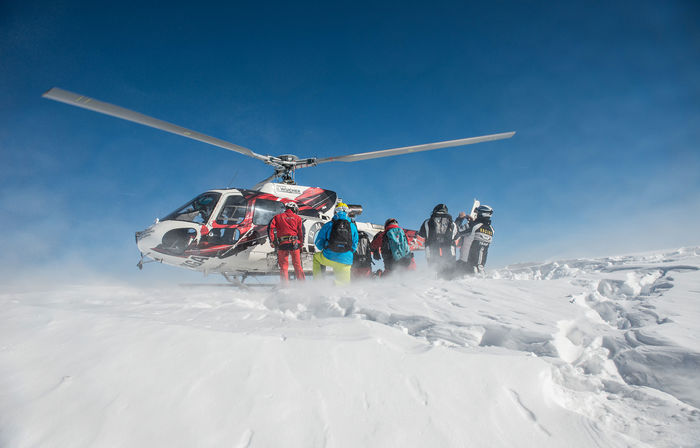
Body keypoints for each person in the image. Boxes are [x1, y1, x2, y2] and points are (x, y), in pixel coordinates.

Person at [313, 203, 358, 285]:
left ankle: (318, 283)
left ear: (335, 212)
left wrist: (324, 248)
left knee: (316, 258)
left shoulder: (328, 224)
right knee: (344, 284)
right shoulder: (353, 226)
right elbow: (355, 244)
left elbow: (319, 242)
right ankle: (336, 284)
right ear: (347, 212)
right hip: (345, 260)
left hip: (329, 257)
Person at [268, 201, 306, 284]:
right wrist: (301, 243)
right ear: (294, 209)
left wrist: (272, 241)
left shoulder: (277, 217)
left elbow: (271, 228)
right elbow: (301, 232)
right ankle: (302, 284)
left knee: (284, 266)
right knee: (297, 265)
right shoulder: (298, 218)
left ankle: (285, 285)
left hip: (282, 243)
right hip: (294, 243)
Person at [417, 204, 457, 274]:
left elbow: (420, 235)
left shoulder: (427, 222)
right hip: (448, 249)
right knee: (449, 270)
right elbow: (456, 236)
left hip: (432, 248)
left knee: (434, 270)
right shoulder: (452, 223)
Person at [454, 205, 494, 275]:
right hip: (480, 268)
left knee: (443, 271)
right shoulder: (492, 230)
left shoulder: (473, 225)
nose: (476, 214)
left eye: (477, 213)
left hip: (465, 265)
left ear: (482, 214)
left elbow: (455, 232)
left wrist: (460, 218)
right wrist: (472, 222)